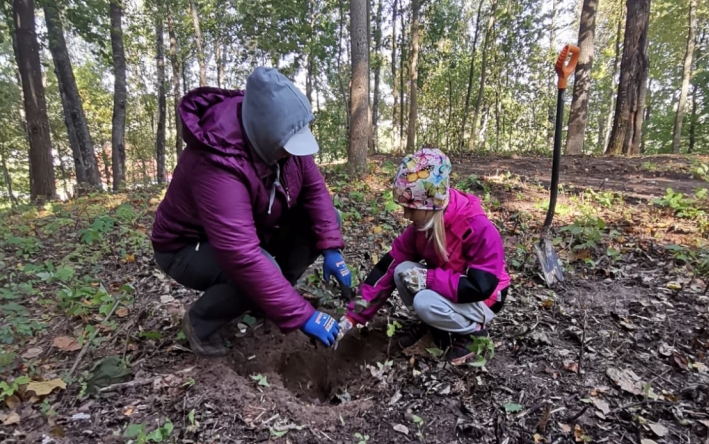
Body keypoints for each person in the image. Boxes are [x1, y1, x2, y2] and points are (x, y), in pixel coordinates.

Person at [151, 67, 352, 356]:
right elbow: (241, 255)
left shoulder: (282, 136)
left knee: (327, 219)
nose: (293, 152)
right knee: (257, 269)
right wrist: (304, 315)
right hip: (187, 246)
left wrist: (331, 247)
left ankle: (267, 301)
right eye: (287, 147)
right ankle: (201, 323)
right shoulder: (216, 162)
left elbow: (314, 191)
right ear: (265, 137)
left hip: (255, 226)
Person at [342, 148, 510, 365]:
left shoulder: (477, 228)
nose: (405, 215)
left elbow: (482, 286)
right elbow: (387, 267)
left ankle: (473, 332)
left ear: (430, 204)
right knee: (402, 271)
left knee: (423, 301)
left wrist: (430, 279)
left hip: (485, 297)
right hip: (451, 285)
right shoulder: (421, 229)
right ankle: (436, 324)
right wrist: (354, 316)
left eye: (411, 208)